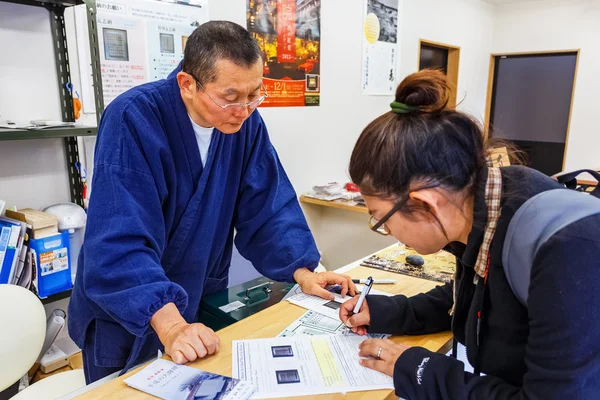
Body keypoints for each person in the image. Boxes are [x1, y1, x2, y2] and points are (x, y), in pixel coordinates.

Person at [69, 21, 356, 384]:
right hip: (128, 303)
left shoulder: (246, 125)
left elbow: (268, 206)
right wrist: (171, 325)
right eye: (231, 97)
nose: (245, 109)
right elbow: (118, 237)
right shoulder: (134, 118)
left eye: (255, 94)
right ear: (188, 84)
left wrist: (303, 271)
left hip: (196, 297)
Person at [339, 70, 600, 399]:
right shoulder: (488, 201)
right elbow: (473, 295)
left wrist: (420, 369)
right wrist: (387, 312)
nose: (388, 232)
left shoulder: (564, 253)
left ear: (425, 204)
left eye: (381, 219)